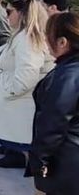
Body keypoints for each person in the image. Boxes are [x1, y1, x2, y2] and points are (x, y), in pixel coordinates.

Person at [0, 0, 53, 168]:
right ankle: (15, 153)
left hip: (20, 100)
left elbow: (27, 74)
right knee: (14, 136)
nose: (6, 15)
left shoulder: (26, 39)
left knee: (22, 138)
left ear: (22, 13)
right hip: (15, 96)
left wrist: (9, 91)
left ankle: (21, 158)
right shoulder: (20, 35)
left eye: (9, 12)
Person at [30, 12, 79, 195]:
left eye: (47, 36)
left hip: (66, 159)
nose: (45, 41)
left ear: (62, 42)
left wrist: (39, 160)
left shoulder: (67, 75)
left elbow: (53, 122)